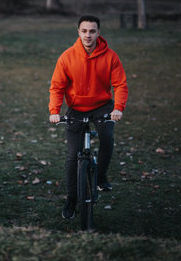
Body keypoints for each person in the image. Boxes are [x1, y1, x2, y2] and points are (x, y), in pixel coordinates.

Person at [48, 15, 128, 219]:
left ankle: (100, 177)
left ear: (98, 33)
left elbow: (120, 85)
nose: (88, 35)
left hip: (102, 107)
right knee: (73, 154)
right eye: (84, 31)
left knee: (107, 138)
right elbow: (57, 86)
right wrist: (54, 111)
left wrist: (118, 108)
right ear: (78, 32)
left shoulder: (111, 56)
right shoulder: (67, 57)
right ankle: (72, 199)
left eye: (92, 31)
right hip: (76, 108)